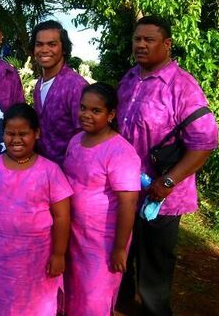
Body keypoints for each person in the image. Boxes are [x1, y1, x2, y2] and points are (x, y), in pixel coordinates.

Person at [116, 15, 219, 316]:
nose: (141, 45)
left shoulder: (182, 87)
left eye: (149, 39)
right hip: (127, 191)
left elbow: (205, 142)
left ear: (167, 44)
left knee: (154, 273)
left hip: (161, 198)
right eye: (137, 39)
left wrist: (168, 182)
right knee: (123, 259)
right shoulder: (129, 80)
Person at [0, 103, 72, 316]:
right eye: (10, 133)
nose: (16, 140)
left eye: (23, 134)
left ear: (37, 134)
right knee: (4, 304)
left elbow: (62, 216)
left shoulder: (50, 171)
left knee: (37, 305)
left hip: (39, 258)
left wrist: (59, 254)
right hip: (0, 256)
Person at [62, 83, 141, 315]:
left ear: (111, 115)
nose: (86, 115)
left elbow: (128, 203)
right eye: (83, 107)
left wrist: (119, 249)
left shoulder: (121, 152)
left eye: (96, 111)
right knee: (73, 291)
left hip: (102, 242)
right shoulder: (75, 141)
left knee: (94, 297)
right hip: (73, 234)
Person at [31, 20, 88, 165]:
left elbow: (85, 134)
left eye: (52, 44)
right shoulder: (38, 86)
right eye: (39, 44)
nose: (44, 50)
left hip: (71, 173)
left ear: (63, 49)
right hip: (44, 173)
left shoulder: (76, 86)